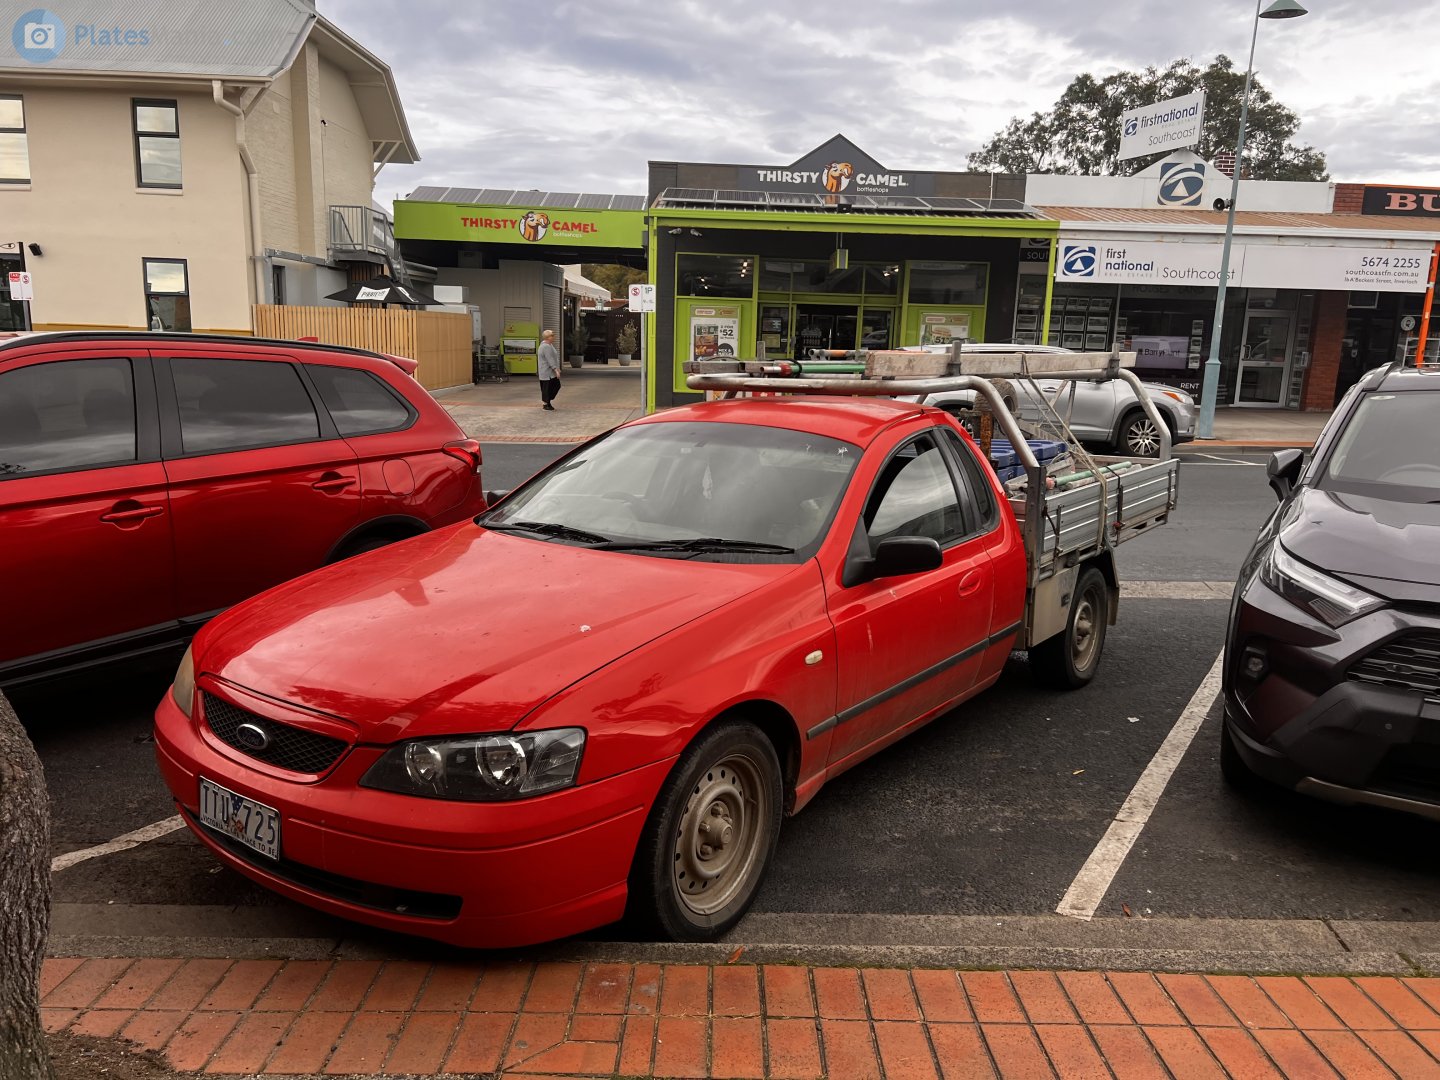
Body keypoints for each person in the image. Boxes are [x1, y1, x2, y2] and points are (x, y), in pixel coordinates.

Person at [537, 329, 561, 410]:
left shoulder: (549, 345)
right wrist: (556, 370)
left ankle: (547, 401)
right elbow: (550, 359)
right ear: (547, 337)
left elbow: (554, 358)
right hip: (547, 372)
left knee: (554, 386)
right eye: (552, 335)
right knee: (547, 387)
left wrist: (557, 368)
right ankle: (546, 403)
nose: (554, 337)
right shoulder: (545, 346)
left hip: (550, 372)